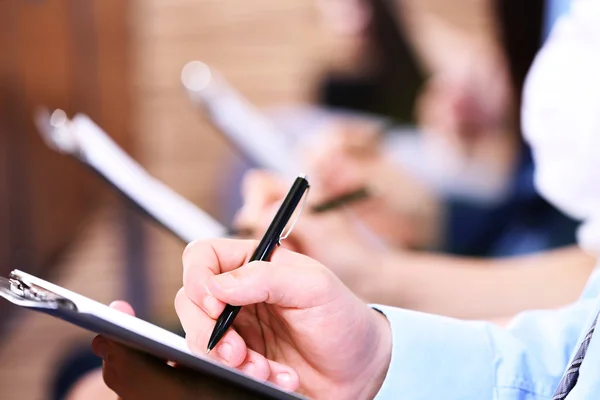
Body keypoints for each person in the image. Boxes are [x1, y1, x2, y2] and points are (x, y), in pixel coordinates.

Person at [95, 1, 600, 398]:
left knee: (92, 381)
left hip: (517, 266)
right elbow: (531, 188)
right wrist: (421, 205)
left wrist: (381, 279)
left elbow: (576, 312)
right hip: (509, 246)